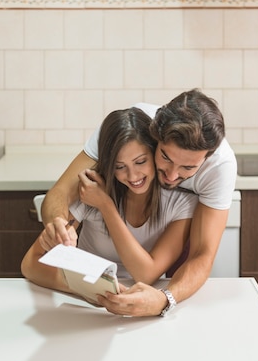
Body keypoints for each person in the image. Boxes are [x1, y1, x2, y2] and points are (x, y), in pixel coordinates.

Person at [39, 89, 238, 317]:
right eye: (165, 157)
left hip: (172, 238)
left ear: (207, 157)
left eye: (188, 168)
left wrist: (165, 300)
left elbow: (202, 254)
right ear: (154, 138)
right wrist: (56, 224)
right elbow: (61, 192)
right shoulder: (130, 128)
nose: (172, 176)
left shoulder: (220, 167)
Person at [21, 107, 198, 302]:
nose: (132, 176)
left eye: (140, 162)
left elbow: (146, 275)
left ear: (155, 152)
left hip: (145, 303)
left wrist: (106, 206)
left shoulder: (181, 203)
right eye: (119, 167)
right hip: (88, 302)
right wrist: (86, 288)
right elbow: (31, 263)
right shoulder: (91, 192)